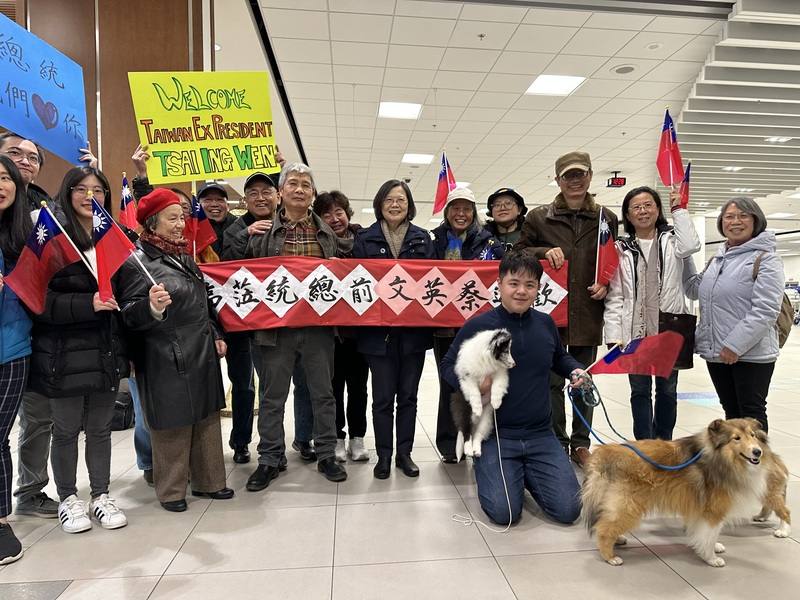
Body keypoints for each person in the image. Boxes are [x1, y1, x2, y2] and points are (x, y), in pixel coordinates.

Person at [441, 252, 585, 525]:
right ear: (499, 284)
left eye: (530, 285)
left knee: (569, 511)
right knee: (504, 512)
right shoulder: (479, 326)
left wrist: (575, 369)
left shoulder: (545, 323)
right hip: (496, 435)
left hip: (541, 434)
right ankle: (507, 469)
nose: (521, 291)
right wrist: (472, 379)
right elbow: (448, 364)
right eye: (514, 283)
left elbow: (559, 358)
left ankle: (528, 472)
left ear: (538, 289)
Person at [116, 188, 233, 512]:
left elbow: (202, 302)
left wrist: (215, 331)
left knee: (207, 418)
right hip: (164, 353)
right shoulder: (137, 262)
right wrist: (151, 308)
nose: (181, 224)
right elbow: (126, 313)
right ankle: (171, 491)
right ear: (152, 223)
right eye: (173, 218)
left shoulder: (182, 255)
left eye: (181, 217)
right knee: (173, 423)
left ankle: (210, 481)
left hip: (200, 348)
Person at [28, 167, 129, 533]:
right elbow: (39, 300)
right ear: (67, 192)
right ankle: (68, 498)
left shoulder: (112, 238)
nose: (90, 196)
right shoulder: (51, 239)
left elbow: (125, 294)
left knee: (100, 429)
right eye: (82, 189)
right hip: (63, 353)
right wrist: (89, 303)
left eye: (98, 190)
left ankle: (101, 495)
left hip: (105, 350)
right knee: (66, 429)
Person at [1, 133, 96, 519]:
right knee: (29, 420)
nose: (25, 161)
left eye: (33, 157)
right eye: (14, 155)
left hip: (34, 333)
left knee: (38, 416)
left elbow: (87, 220)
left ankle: (30, 490)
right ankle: (26, 490)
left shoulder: (44, 208)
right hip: (18, 331)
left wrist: (90, 174)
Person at [244, 162, 347, 490]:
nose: (300, 189)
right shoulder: (263, 232)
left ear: (312, 193)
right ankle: (270, 459)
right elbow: (243, 269)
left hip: (318, 328)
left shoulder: (327, 234)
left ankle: (327, 453)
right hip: (276, 329)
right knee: (273, 397)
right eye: (293, 183)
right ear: (280, 192)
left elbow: (344, 272)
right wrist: (245, 232)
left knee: (323, 393)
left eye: (306, 184)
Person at [515, 151, 618, 468]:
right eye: (568, 176)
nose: (575, 181)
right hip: (551, 317)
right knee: (551, 382)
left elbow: (613, 261)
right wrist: (545, 250)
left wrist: (606, 283)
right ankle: (557, 440)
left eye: (580, 174)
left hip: (588, 312)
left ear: (590, 175)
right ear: (558, 180)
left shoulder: (605, 218)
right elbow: (518, 252)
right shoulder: (539, 217)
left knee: (583, 379)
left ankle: (581, 442)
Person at [353, 179, 435, 479]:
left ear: (409, 205)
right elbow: (356, 279)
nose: (395, 204)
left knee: (409, 397)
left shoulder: (423, 239)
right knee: (383, 398)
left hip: (413, 332)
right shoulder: (365, 238)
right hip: (378, 333)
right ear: (379, 204)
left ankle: (405, 454)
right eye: (389, 199)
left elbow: (434, 280)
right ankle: (384, 455)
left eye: (401, 199)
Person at [604, 186, 700, 441]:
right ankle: (644, 445)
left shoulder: (673, 240)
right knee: (639, 391)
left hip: (669, 328)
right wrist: (613, 336)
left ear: (658, 210)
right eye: (636, 207)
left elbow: (692, 244)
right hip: (634, 332)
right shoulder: (619, 248)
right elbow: (615, 296)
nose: (643, 211)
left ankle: (664, 443)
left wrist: (679, 209)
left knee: (668, 391)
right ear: (627, 214)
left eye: (649, 205)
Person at [684, 197, 784, 432]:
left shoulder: (766, 259)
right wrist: (684, 253)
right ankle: (737, 468)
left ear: (755, 220)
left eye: (743, 216)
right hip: (718, 353)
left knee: (751, 415)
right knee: (731, 413)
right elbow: (692, 289)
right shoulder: (717, 260)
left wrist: (735, 345)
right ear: (721, 222)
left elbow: (766, 309)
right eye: (729, 216)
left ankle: (758, 466)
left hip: (750, 354)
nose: (735, 221)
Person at [430, 186, 503, 463]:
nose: (461, 214)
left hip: (479, 329)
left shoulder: (490, 243)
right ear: (447, 212)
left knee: (484, 383)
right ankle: (449, 444)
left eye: (466, 209)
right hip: (443, 327)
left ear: (473, 213)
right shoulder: (434, 240)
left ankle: (481, 439)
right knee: (449, 382)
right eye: (455, 208)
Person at [221, 172, 280, 464]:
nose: (260, 197)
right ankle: (241, 442)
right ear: (245, 200)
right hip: (240, 322)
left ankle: (282, 444)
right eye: (253, 193)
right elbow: (226, 260)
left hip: (277, 320)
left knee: (275, 386)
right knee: (244, 384)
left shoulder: (288, 224)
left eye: (266, 191)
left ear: (277, 195)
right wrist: (248, 234)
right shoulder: (234, 227)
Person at [312, 190, 369, 462]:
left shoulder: (364, 241)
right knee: (332, 389)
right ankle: (336, 438)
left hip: (359, 332)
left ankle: (358, 438)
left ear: (348, 214)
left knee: (359, 388)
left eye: (339, 212)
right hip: (328, 333)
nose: (335, 219)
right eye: (327, 215)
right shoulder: (317, 244)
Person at [0, 156, 33, 563]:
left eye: (6, 177)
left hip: (11, 348)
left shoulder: (27, 235)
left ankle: (1, 521)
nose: (1, 184)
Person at [197, 182, 235, 258]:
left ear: (227, 205)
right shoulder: (193, 229)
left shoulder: (239, 226)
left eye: (220, 200)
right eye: (208, 200)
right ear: (198, 206)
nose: (214, 204)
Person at [484, 187, 527, 252]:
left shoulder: (529, 234)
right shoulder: (482, 236)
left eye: (508, 203)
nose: (502, 208)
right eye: (497, 205)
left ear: (519, 210)